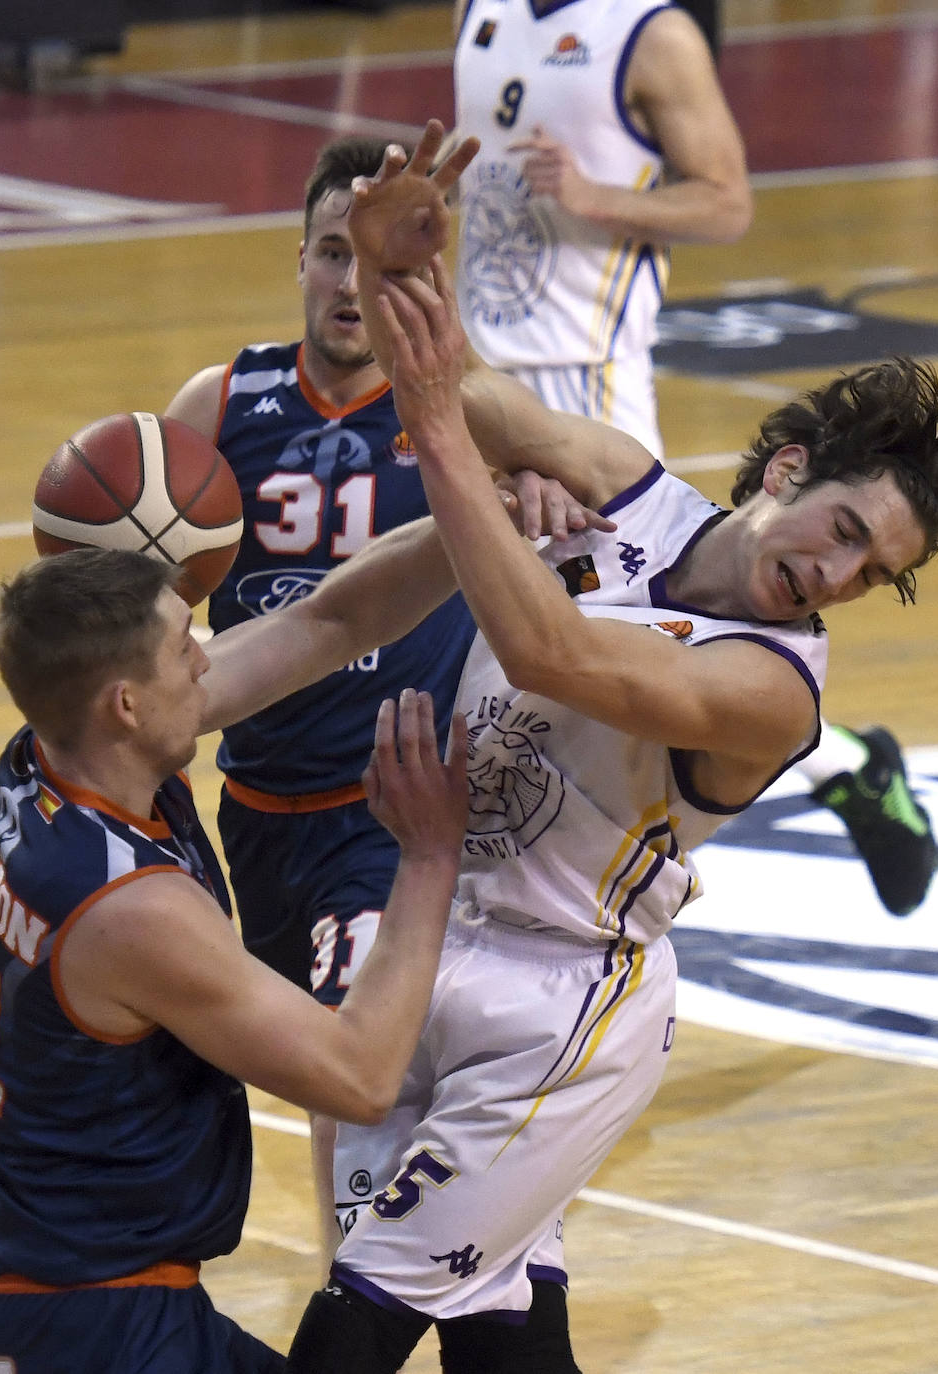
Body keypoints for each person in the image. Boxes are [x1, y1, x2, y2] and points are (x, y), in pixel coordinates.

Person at [282, 126, 938, 1373]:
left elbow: (551, 652)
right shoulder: (625, 486)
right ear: (790, 468)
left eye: (875, 572)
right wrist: (393, 280)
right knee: (498, 1332)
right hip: (427, 925)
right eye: (846, 531)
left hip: (561, 999)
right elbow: (455, 387)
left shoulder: (773, 693)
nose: (841, 574)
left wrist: (454, 446)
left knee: (360, 1314)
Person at [162, 134, 608, 1268]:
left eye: (368, 265)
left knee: (355, 1078)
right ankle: (436, 1272)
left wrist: (545, 488)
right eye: (326, 255)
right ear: (299, 259)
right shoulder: (218, 404)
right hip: (260, 811)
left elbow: (592, 491)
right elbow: (157, 616)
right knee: (326, 1069)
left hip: (392, 806)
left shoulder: (467, 415)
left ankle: (362, 1299)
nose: (346, 286)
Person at [451, 0, 936, 916]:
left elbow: (727, 200)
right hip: (490, 351)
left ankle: (815, 775)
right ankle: (847, 764)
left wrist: (596, 198)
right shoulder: (483, 8)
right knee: (460, 616)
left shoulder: (649, 32)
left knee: (589, 654)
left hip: (583, 384)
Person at [0, 536, 471, 1373]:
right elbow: (361, 1076)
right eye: (183, 645)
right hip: (99, 1332)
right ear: (125, 703)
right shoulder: (130, 910)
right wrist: (427, 858)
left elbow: (328, 620)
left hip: (91, 1302)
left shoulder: (48, 758)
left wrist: (468, 515)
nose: (206, 662)